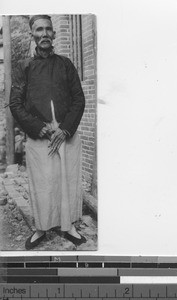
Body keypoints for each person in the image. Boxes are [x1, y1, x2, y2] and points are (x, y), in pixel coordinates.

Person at [10, 15, 86, 249]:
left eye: (48, 30)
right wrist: (40, 129)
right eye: (39, 30)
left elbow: (78, 99)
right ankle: (41, 228)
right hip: (40, 135)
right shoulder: (24, 67)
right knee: (42, 184)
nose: (44, 34)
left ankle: (68, 226)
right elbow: (15, 104)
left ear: (53, 34)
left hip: (65, 134)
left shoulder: (65, 64)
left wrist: (65, 130)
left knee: (68, 181)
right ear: (33, 34)